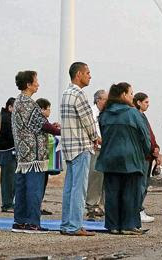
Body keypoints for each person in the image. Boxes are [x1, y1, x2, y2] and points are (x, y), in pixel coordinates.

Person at [96, 82, 151, 235]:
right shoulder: (133, 113)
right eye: (131, 93)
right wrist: (146, 152)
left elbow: (103, 133)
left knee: (112, 193)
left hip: (109, 158)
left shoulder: (104, 113)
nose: (132, 97)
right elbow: (144, 136)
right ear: (123, 95)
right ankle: (128, 225)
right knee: (130, 192)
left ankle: (113, 226)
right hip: (130, 159)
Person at [11, 70, 60, 234]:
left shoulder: (18, 101)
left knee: (22, 189)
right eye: (36, 80)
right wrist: (60, 130)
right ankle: (32, 222)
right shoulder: (28, 103)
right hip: (34, 155)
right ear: (28, 84)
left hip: (23, 154)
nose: (38, 83)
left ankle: (20, 221)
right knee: (34, 189)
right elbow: (42, 125)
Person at [59, 62, 100, 237]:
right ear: (78, 74)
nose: (90, 76)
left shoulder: (66, 94)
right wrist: (96, 138)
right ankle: (75, 225)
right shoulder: (79, 94)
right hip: (81, 146)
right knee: (79, 189)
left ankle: (66, 223)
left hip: (69, 147)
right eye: (88, 73)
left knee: (70, 188)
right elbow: (88, 121)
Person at [133, 92, 160, 224]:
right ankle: (138, 210)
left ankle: (139, 209)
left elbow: (150, 135)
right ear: (138, 102)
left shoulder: (143, 116)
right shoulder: (136, 116)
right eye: (146, 102)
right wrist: (151, 149)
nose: (148, 105)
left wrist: (156, 148)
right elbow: (143, 136)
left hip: (149, 155)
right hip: (142, 155)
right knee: (140, 185)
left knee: (144, 184)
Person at [85, 89, 107, 220]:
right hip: (96, 149)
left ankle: (101, 206)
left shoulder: (106, 113)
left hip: (106, 149)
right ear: (98, 99)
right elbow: (93, 131)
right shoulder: (92, 113)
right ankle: (91, 207)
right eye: (105, 99)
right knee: (95, 177)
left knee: (104, 179)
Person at [0, 97, 16, 213]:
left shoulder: (5, 116)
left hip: (5, 151)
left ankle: (9, 202)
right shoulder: (8, 118)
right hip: (7, 151)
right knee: (8, 179)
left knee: (10, 179)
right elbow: (13, 136)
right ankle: (7, 204)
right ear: (10, 107)